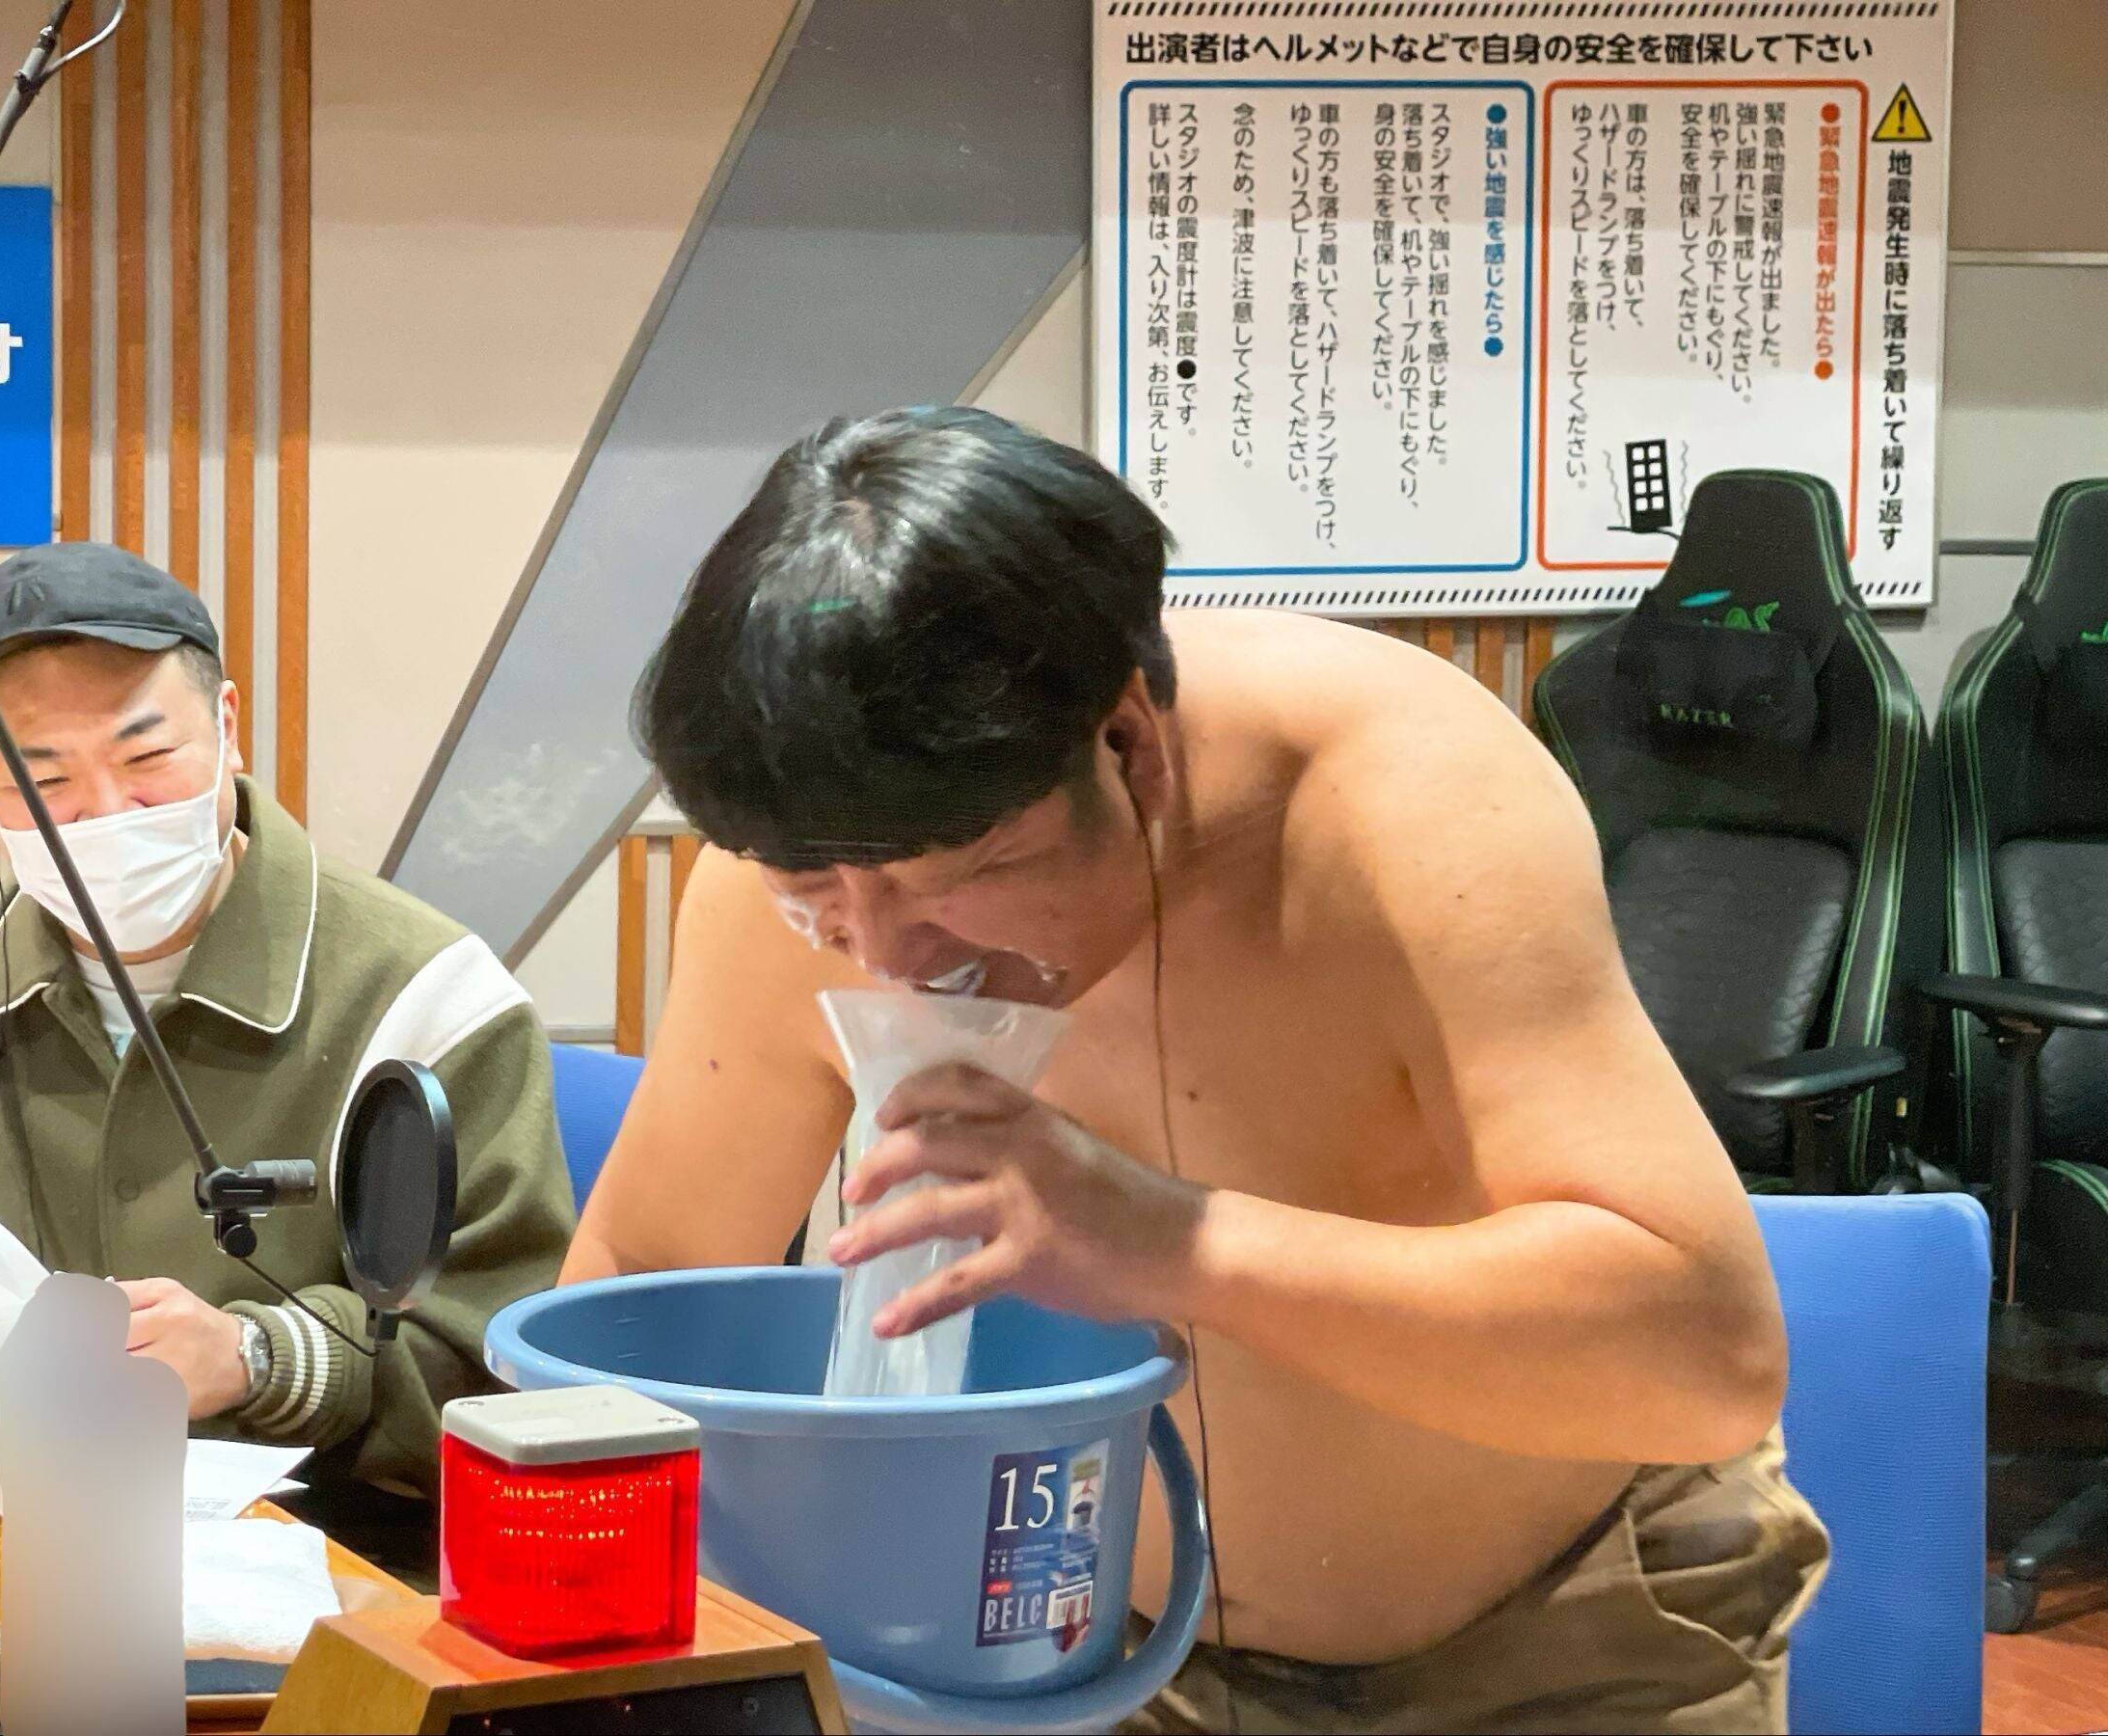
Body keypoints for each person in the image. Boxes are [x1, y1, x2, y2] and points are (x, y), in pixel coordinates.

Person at [561, 408, 1828, 1733]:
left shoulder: (1406, 803)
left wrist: (1171, 1242)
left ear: (1129, 746)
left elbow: (1705, 1355)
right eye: (818, 892)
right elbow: (637, 1296)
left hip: (1561, 1623)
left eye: (961, 878)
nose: (886, 954)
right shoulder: (798, 872)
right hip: (1065, 1640)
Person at [0, 542, 574, 1500]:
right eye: (43, 785)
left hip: (328, 1547)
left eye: (148, 758)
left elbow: (501, 1361)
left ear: (227, 726)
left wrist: (259, 1357)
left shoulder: (430, 998)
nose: (104, 814)